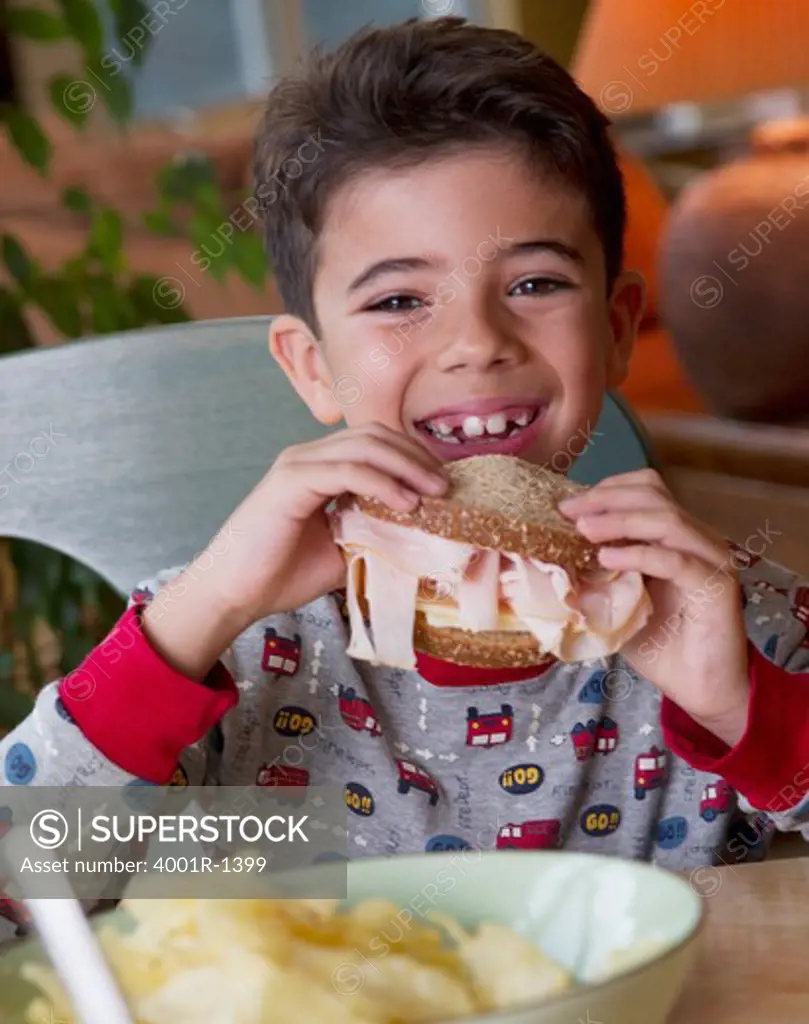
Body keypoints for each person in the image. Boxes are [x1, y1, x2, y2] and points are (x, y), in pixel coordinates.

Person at [3, 18, 809, 942]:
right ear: (310, 367)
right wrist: (200, 612)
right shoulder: (236, 647)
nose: (476, 342)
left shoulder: (724, 622)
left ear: (618, 326)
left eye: (536, 283)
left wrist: (743, 704)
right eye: (397, 301)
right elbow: (18, 897)